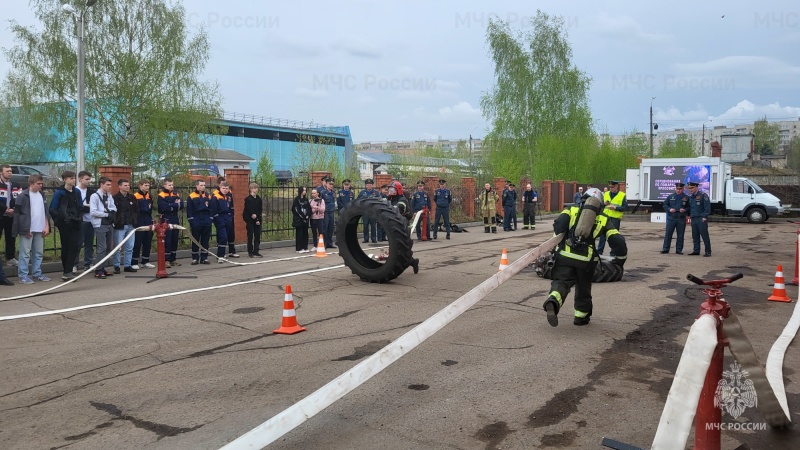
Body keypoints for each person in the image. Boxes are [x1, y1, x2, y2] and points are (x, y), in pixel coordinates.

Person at [542, 187, 627, 327]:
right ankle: (581, 317)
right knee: (583, 288)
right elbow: (617, 240)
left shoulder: (570, 210)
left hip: (564, 257)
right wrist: (621, 259)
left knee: (561, 282)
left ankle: (553, 300)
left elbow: (558, 226)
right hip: (586, 262)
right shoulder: (603, 219)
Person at [12, 174, 51, 284]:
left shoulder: (42, 195)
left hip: (40, 228)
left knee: (38, 252)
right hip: (28, 228)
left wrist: (46, 225)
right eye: (38, 184)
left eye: (41, 183)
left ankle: (37, 273)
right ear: (31, 183)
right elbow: (18, 214)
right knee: (25, 253)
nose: (41, 185)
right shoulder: (23, 196)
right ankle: (23, 275)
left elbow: (45, 212)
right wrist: (25, 229)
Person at [49, 171, 83, 281]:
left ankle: (69, 270)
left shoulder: (76, 192)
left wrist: (78, 216)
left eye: (74, 178)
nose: (73, 180)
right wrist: (62, 218)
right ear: (65, 180)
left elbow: (80, 206)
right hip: (64, 223)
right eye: (71, 178)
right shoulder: (60, 193)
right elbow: (52, 209)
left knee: (74, 246)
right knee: (67, 246)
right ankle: (66, 271)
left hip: (75, 222)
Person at [89, 177, 117, 279]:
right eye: (107, 185)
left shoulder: (109, 196)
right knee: (102, 248)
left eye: (110, 185)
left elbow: (114, 207)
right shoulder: (95, 196)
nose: (109, 187)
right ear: (101, 184)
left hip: (109, 224)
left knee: (109, 248)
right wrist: (106, 214)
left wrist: (111, 212)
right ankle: (98, 269)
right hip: (100, 224)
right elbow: (93, 211)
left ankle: (103, 268)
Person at [112, 179, 138, 273]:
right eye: (125, 185)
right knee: (118, 247)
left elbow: (136, 210)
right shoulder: (115, 198)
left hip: (131, 225)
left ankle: (127, 265)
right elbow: (113, 211)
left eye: (128, 185)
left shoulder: (132, 197)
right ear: (120, 186)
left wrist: (135, 220)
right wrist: (115, 221)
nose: (127, 187)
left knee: (130, 247)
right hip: (120, 225)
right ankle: (116, 265)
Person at [157, 178, 183, 267]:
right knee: (167, 239)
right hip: (166, 218)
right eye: (169, 185)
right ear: (164, 185)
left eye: (172, 185)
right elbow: (163, 208)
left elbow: (181, 205)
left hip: (175, 217)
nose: (171, 186)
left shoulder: (176, 194)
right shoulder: (161, 195)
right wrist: (174, 205)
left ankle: (173, 258)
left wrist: (171, 205)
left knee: (175, 238)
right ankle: (166, 260)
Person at [597, 180, 628, 256]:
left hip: (615, 219)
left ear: (617, 186)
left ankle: (613, 253)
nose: (611, 188)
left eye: (613, 187)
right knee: (602, 236)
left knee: (613, 236)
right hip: (605, 217)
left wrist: (616, 208)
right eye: (610, 187)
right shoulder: (606, 194)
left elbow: (625, 207)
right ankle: (599, 252)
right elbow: (600, 205)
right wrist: (604, 204)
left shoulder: (622, 195)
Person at [187, 179, 213, 265]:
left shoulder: (208, 196)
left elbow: (211, 208)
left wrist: (210, 219)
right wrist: (192, 221)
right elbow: (189, 210)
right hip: (196, 218)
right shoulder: (191, 196)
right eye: (201, 185)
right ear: (197, 186)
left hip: (206, 218)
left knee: (205, 239)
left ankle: (204, 258)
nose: (203, 187)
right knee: (196, 239)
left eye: (204, 185)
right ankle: (195, 258)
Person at [211, 181, 238, 261]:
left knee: (227, 236)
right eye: (223, 188)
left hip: (228, 217)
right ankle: (220, 255)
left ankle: (223, 254)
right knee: (223, 236)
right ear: (220, 188)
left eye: (226, 188)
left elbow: (231, 207)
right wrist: (217, 218)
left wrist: (230, 216)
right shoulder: (215, 196)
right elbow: (213, 209)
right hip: (220, 218)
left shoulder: (229, 196)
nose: (225, 190)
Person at [0, 164, 21, 267]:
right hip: (1, 214)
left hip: (11, 216)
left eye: (11, 171)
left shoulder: (15, 185)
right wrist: (5, 209)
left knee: (11, 237)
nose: (10, 173)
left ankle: (10, 257)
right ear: (1, 172)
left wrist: (13, 209)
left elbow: (19, 199)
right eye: (7, 171)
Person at [132, 180, 155, 269]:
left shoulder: (150, 196)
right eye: (145, 185)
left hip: (148, 219)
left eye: (148, 185)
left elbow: (151, 208)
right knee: (137, 242)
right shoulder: (135, 196)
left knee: (147, 241)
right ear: (140, 186)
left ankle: (145, 261)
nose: (147, 187)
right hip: (139, 219)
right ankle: (134, 262)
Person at [75, 171, 95, 272]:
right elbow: (77, 206)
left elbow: (94, 205)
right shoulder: (75, 191)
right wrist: (85, 207)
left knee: (89, 243)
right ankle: (75, 264)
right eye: (86, 179)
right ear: (80, 179)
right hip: (80, 220)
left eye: (89, 179)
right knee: (78, 243)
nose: (88, 181)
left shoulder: (91, 191)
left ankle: (88, 263)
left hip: (90, 220)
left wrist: (87, 207)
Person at [661, 182, 689, 254]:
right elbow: (665, 204)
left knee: (680, 235)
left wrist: (685, 210)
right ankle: (665, 249)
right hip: (671, 218)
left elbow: (690, 207)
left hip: (681, 218)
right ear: (675, 189)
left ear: (683, 189)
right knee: (668, 234)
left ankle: (679, 250)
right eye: (677, 189)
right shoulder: (671, 196)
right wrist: (669, 209)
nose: (678, 190)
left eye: (680, 189)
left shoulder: (686, 198)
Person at [686, 181, 711, 257]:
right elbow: (690, 207)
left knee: (704, 235)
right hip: (693, 218)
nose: (691, 190)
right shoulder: (691, 197)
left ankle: (708, 251)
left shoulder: (703, 195)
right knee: (695, 235)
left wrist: (704, 217)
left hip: (701, 218)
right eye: (689, 188)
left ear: (696, 187)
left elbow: (707, 207)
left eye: (692, 188)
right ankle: (696, 250)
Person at [356, 178, 381, 243]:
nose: (369, 186)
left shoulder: (376, 193)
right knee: (365, 225)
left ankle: (373, 239)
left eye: (370, 184)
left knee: (373, 226)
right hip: (365, 212)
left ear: (372, 185)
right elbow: (358, 201)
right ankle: (366, 238)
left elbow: (379, 201)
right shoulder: (362, 193)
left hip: (373, 212)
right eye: (367, 185)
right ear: (365, 186)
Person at [243, 182, 263, 257]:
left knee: (257, 236)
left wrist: (257, 218)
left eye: (256, 188)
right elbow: (248, 210)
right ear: (251, 189)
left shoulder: (258, 199)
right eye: (254, 188)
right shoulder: (248, 199)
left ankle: (256, 250)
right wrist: (253, 215)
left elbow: (260, 209)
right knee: (250, 235)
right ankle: (250, 251)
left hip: (257, 220)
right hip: (250, 220)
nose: (256, 189)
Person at [316, 177, 336, 248]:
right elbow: (320, 202)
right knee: (325, 227)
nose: (331, 185)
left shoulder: (333, 192)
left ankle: (329, 243)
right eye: (329, 184)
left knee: (331, 228)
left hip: (332, 211)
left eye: (332, 184)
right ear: (326, 184)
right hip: (326, 212)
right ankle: (324, 243)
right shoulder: (323, 193)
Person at [292, 186, 311, 253]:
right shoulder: (297, 199)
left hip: (305, 219)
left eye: (305, 190)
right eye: (303, 190)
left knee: (305, 233)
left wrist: (308, 215)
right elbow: (296, 209)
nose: (304, 192)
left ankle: (305, 247)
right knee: (299, 234)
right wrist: (303, 216)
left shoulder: (306, 199)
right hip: (299, 219)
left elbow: (309, 208)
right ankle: (299, 248)